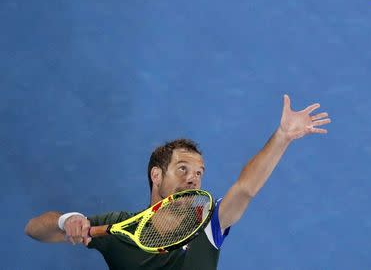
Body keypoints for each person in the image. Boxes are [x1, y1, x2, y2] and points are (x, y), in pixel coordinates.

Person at [25, 94, 331, 269]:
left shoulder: (210, 226)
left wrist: (283, 137)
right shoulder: (117, 227)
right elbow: (35, 230)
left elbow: (246, 188)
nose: (193, 178)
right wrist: (67, 221)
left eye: (199, 173)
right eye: (182, 169)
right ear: (156, 175)